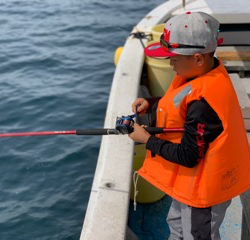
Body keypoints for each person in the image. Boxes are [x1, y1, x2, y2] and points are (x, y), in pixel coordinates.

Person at [128, 12, 250, 240]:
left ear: (197, 58)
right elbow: (179, 102)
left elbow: (188, 155)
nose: (170, 64)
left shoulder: (203, 105)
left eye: (173, 59)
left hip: (205, 191)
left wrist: (146, 139)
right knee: (175, 223)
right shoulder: (206, 72)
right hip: (191, 183)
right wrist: (152, 105)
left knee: (198, 234)